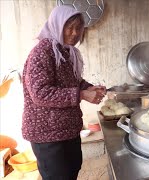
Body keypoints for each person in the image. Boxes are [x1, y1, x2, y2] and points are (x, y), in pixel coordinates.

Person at [22, 6, 106, 179]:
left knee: (71, 173)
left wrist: (88, 88)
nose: (75, 33)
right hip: (48, 135)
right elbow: (40, 93)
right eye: (69, 27)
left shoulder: (66, 52)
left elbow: (74, 81)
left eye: (79, 28)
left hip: (68, 131)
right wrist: (81, 95)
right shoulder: (42, 52)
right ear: (57, 25)